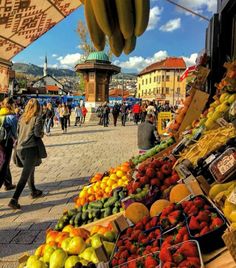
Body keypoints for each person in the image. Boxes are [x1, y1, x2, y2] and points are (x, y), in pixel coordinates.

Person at [8, 99, 47, 210]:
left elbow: (17, 133)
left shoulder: (21, 118)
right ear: (37, 107)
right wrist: (42, 133)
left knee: (30, 169)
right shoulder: (37, 118)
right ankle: (14, 199)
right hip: (30, 148)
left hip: (20, 148)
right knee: (25, 174)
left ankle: (33, 190)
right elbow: (37, 134)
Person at [0, 97, 18, 190]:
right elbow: (15, 132)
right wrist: (17, 141)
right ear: (11, 105)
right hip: (6, 142)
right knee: (4, 163)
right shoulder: (11, 117)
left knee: (3, 162)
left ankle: (8, 183)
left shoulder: (0, 113)